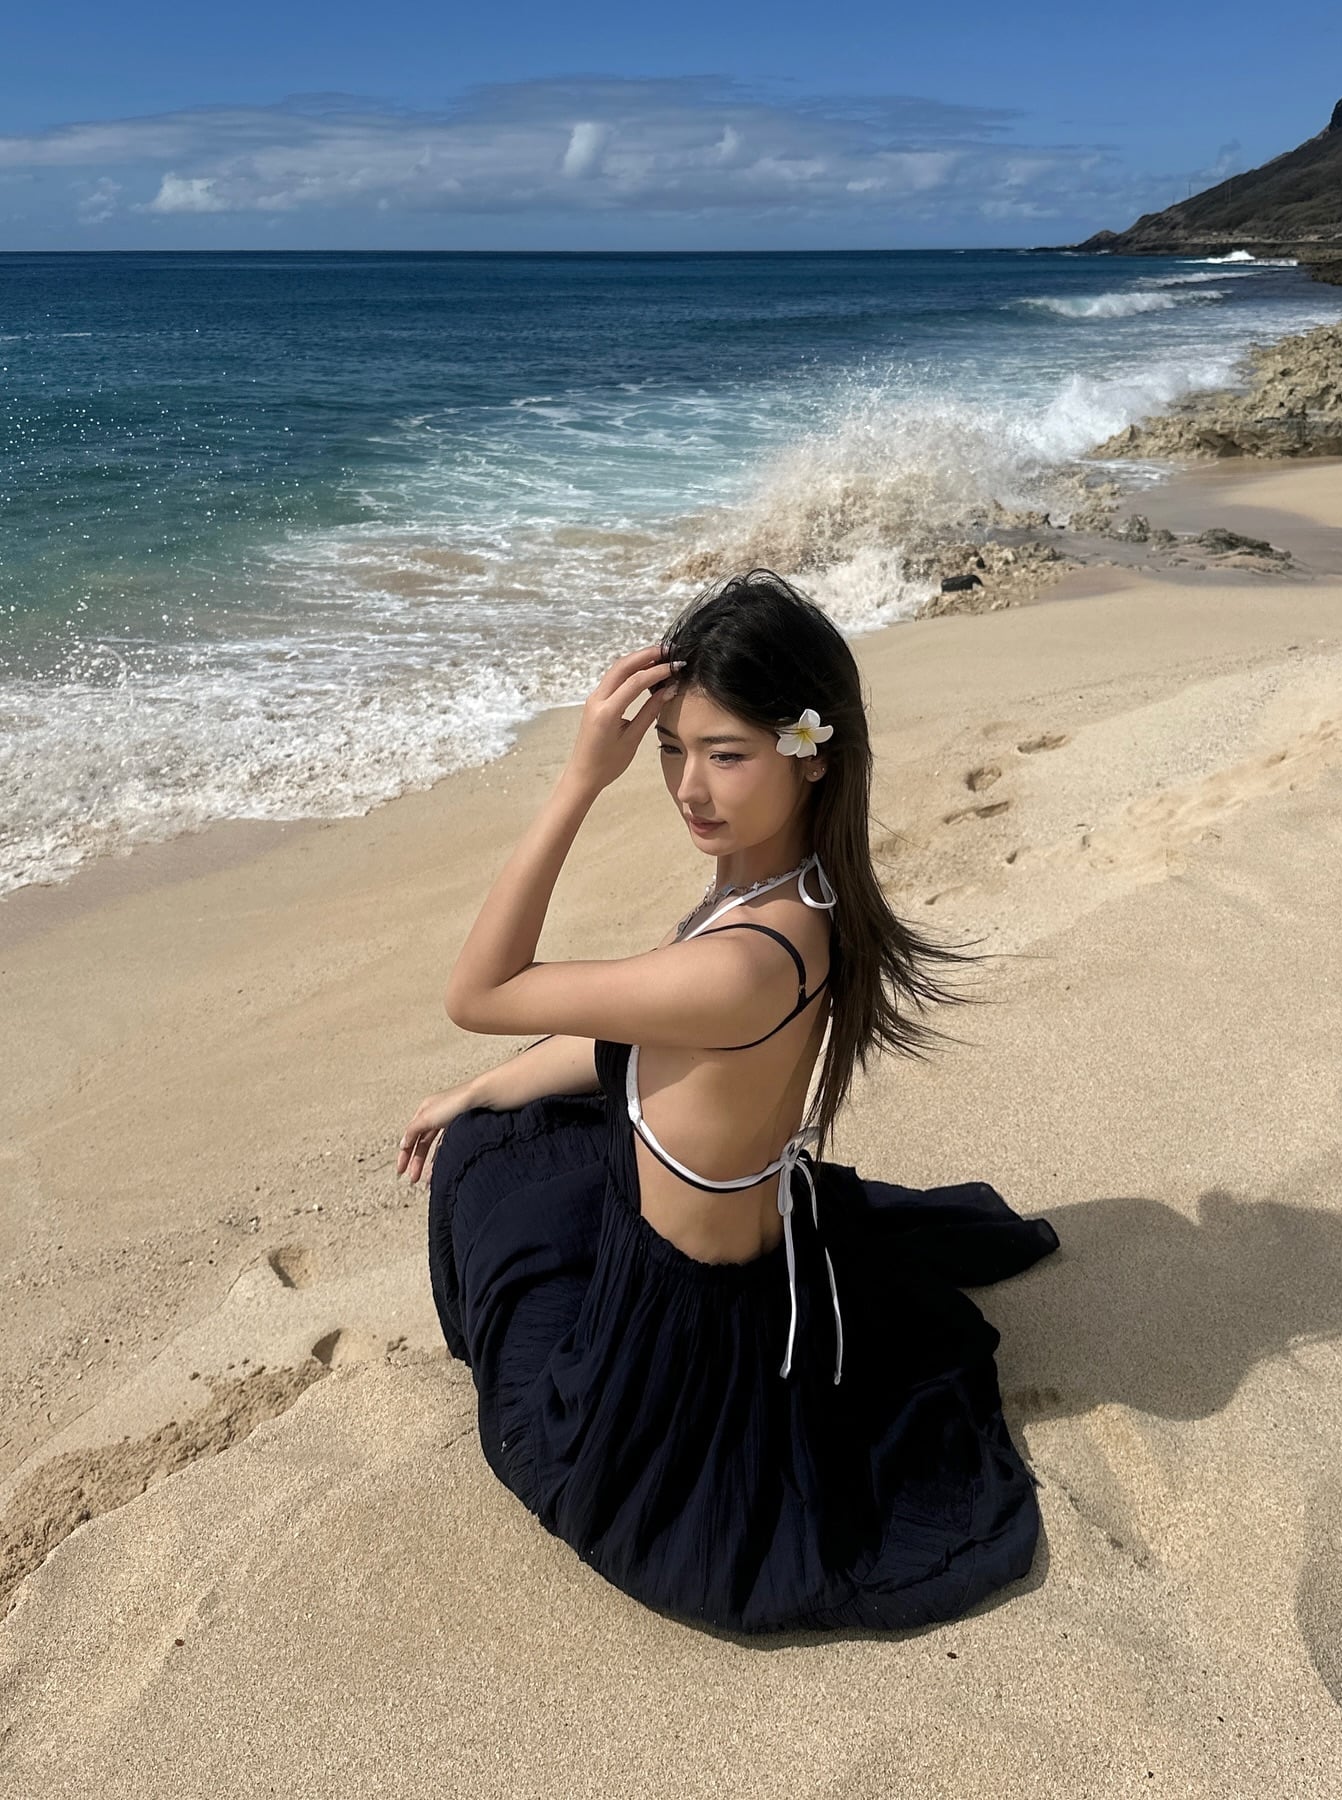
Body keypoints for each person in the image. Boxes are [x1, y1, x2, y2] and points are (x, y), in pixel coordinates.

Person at [401, 569, 1059, 1634]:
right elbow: (628, 1034)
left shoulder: (746, 962)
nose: (688, 789)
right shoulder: (789, 886)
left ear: (810, 754)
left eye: (727, 755)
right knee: (504, 1114)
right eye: (670, 750)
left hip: (671, 1361)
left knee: (486, 1168)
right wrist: (474, 1087)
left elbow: (478, 993)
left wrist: (580, 780)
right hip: (721, 1257)